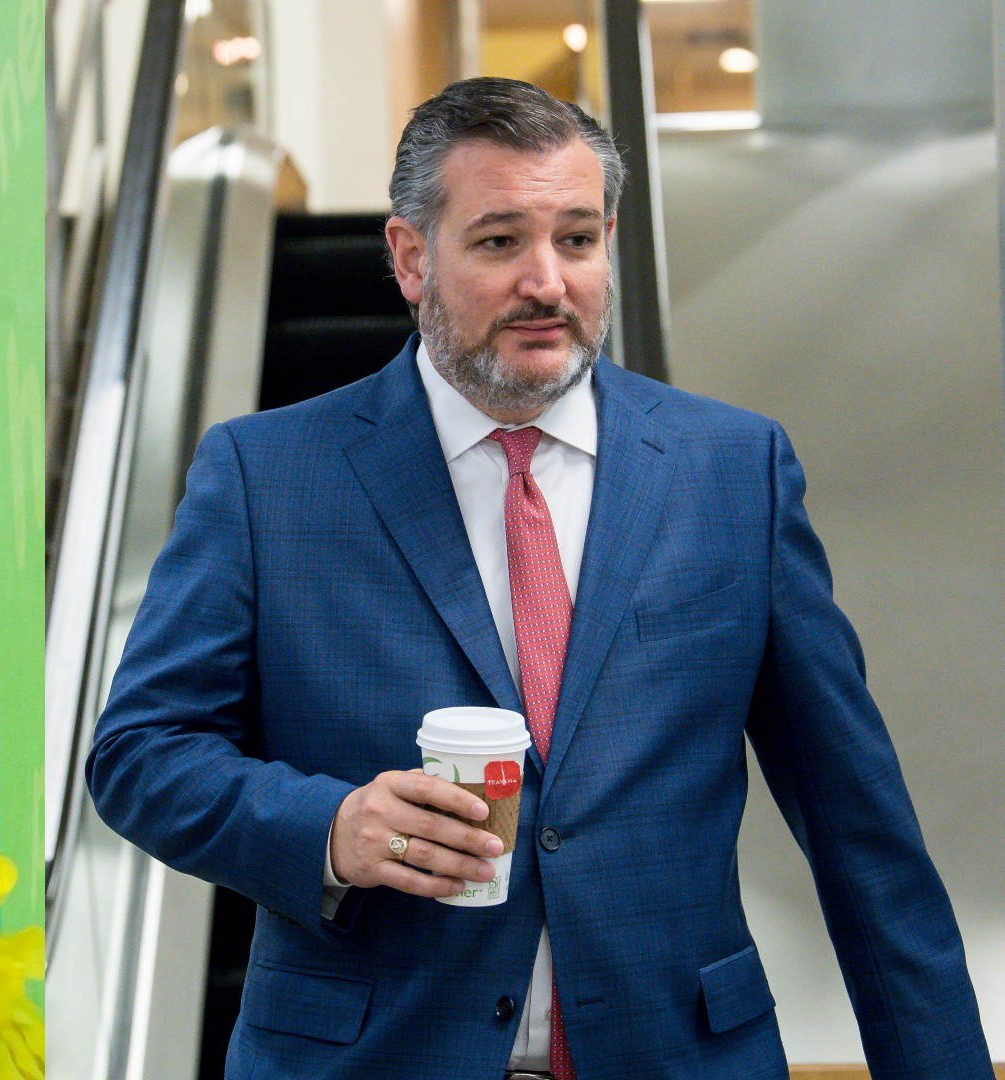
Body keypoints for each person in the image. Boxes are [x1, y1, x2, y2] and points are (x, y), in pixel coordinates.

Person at [83, 77, 989, 1078]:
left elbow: (863, 831)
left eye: (576, 239)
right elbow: (140, 756)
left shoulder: (734, 472)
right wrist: (330, 829)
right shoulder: (267, 477)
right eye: (500, 240)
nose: (547, 282)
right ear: (410, 257)